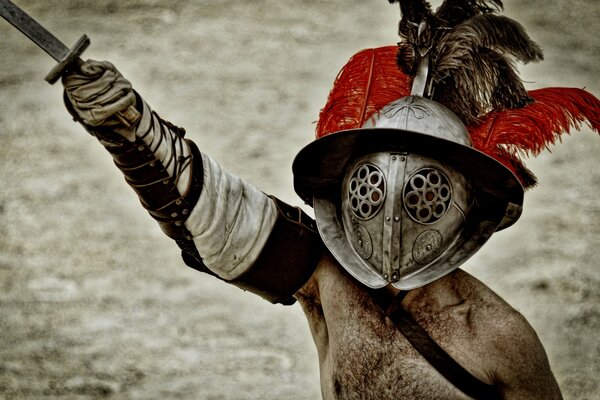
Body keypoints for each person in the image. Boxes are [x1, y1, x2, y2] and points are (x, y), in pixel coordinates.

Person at [59, 1, 600, 398]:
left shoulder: (501, 341)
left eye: (423, 192)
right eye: (374, 183)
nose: (392, 205)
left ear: (466, 204)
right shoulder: (326, 277)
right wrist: (128, 126)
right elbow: (210, 214)